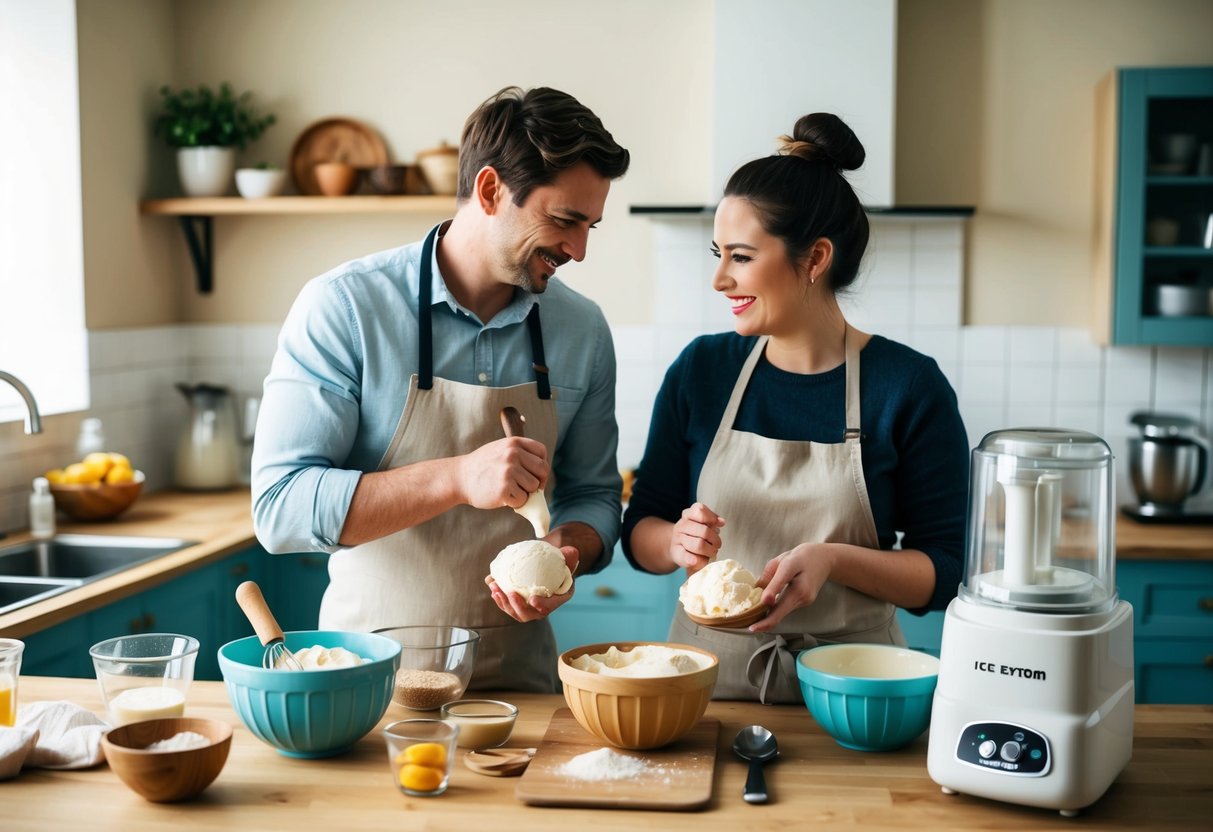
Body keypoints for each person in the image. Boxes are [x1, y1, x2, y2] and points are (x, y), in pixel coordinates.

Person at [252, 86, 630, 692]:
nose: (579, 250)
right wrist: (456, 478)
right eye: (564, 220)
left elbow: (594, 496)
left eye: (590, 225)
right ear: (489, 191)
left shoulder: (581, 330)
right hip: (368, 688)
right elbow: (281, 507)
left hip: (519, 690)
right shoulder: (346, 307)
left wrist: (568, 552)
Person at [622, 113, 969, 703]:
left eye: (740, 256)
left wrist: (834, 559)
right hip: (707, 691)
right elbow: (641, 529)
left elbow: (941, 572)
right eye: (718, 254)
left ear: (814, 260)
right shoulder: (702, 371)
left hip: (859, 695)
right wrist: (673, 543)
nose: (719, 279)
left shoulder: (908, 387)